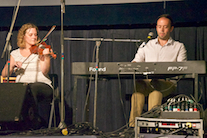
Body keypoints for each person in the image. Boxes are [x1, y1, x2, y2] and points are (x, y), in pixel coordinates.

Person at [129, 14, 187, 127]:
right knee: (137, 92)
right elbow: (135, 62)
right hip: (147, 81)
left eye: (165, 27)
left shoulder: (178, 46)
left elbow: (182, 67)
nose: (162, 29)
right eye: (160, 26)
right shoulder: (146, 45)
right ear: (156, 27)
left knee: (155, 92)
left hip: (166, 83)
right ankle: (132, 128)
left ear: (171, 28)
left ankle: (152, 126)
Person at [1, 23, 53, 128]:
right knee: (10, 90)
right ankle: (10, 124)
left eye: (35, 34)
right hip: (21, 87)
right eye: (31, 35)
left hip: (42, 85)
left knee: (29, 88)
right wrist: (12, 65)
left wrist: (46, 57)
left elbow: (45, 71)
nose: (34, 37)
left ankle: (32, 123)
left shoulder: (41, 51)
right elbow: (4, 74)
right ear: (23, 36)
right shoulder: (15, 53)